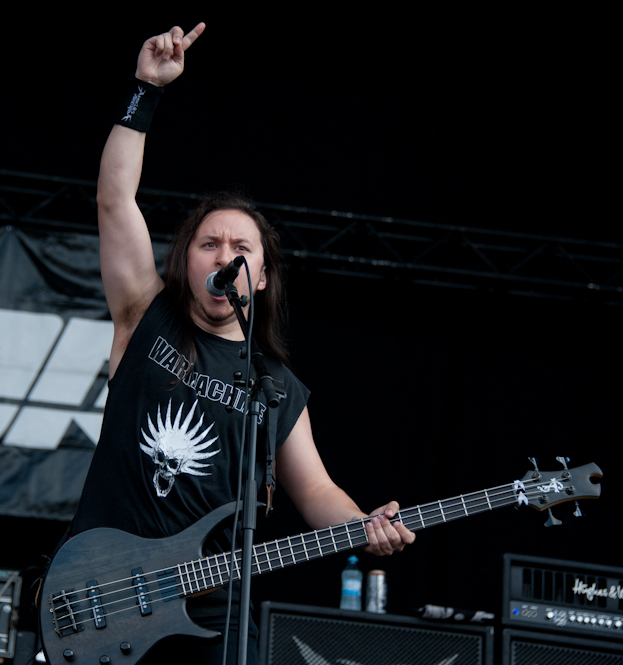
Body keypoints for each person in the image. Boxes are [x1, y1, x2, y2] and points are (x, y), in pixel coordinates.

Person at [66, 22, 415, 664]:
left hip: (212, 612)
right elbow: (115, 201)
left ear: (261, 275)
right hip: (103, 588)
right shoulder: (146, 318)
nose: (224, 255)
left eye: (240, 248)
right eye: (209, 244)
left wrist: (364, 524)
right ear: (187, 261)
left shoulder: (277, 386)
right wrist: (146, 90)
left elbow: (316, 493)